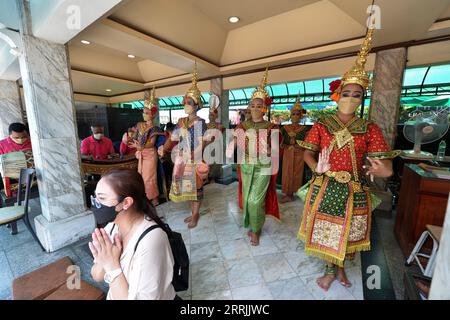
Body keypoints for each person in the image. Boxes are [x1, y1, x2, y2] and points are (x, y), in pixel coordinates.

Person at [296, 28, 401, 291]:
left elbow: (384, 165)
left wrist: (385, 171)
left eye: (357, 95)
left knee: (348, 231)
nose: (351, 99)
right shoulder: (322, 124)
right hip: (326, 185)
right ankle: (331, 269)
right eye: (346, 93)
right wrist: (315, 167)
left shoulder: (370, 128)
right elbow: (307, 152)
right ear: (337, 95)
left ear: (362, 99)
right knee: (327, 228)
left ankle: (340, 266)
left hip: (355, 189)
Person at [88, 169, 177, 300]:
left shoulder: (151, 240)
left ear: (126, 203)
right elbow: (96, 275)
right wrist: (105, 259)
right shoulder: (111, 227)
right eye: (95, 197)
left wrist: (112, 265)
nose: (96, 203)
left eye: (102, 198)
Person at [227, 68, 280, 246]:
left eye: (259, 105)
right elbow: (235, 142)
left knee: (255, 199)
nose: (256, 108)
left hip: (263, 166)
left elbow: (274, 150)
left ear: (265, 108)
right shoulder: (243, 125)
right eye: (253, 105)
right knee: (246, 196)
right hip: (246, 164)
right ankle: (251, 224)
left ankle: (256, 230)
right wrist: (228, 150)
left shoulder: (272, 127)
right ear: (249, 107)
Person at [160, 62, 209, 229]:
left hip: (194, 159)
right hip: (182, 158)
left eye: (190, 102)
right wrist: (164, 148)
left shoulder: (201, 123)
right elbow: (173, 138)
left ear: (196, 105)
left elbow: (202, 142)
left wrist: (194, 155)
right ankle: (193, 212)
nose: (186, 104)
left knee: (196, 189)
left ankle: (196, 215)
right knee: (187, 188)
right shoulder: (181, 121)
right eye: (185, 101)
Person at [126, 88, 164, 206]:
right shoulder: (140, 125)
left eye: (147, 113)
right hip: (141, 153)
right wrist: (129, 140)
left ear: (153, 114)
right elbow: (135, 139)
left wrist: (141, 146)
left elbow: (152, 143)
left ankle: (154, 198)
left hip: (150, 154)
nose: (144, 115)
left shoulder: (155, 129)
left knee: (149, 178)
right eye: (143, 112)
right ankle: (145, 197)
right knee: (141, 176)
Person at [279, 97, 308, 203]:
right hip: (288, 153)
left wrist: (299, 146)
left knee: (297, 173)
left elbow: (307, 144)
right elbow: (281, 143)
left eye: (298, 114)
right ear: (290, 116)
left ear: (301, 116)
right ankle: (287, 194)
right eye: (293, 114)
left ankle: (294, 193)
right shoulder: (284, 128)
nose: (295, 116)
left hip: (299, 153)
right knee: (286, 172)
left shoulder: (305, 129)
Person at [206, 105, 225, 183]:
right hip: (207, 145)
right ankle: (206, 177)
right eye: (210, 114)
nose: (211, 116)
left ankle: (213, 178)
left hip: (216, 146)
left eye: (212, 115)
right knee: (207, 162)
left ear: (216, 116)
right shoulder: (205, 125)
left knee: (215, 163)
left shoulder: (219, 126)